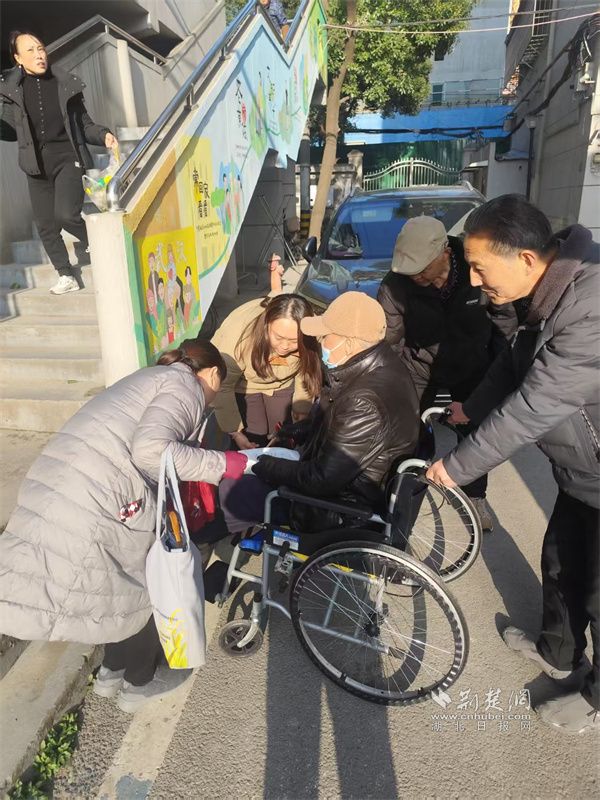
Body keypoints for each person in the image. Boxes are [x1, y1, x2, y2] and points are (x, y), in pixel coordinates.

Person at [425, 195, 600, 734]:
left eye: (480, 267)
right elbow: (513, 364)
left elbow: (534, 406)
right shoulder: (545, 291)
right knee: (561, 560)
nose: (475, 282)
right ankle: (559, 652)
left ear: (525, 258)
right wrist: (471, 407)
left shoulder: (590, 305)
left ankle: (595, 698)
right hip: (581, 470)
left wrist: (457, 466)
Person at [0, 340, 248, 714]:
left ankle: (110, 673)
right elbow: (151, 451)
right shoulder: (186, 387)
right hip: (99, 496)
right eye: (218, 388)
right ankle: (139, 684)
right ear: (213, 374)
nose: (213, 399)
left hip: (64, 485)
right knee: (145, 588)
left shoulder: (152, 377)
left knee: (113, 589)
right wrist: (225, 464)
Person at [219, 292, 420, 534]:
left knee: (232, 488)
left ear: (348, 343)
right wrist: (298, 430)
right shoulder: (383, 365)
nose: (320, 342)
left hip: (337, 508)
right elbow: (337, 424)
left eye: (325, 336)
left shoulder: (362, 402)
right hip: (350, 483)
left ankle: (225, 537)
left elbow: (320, 480)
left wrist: (268, 466)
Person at [377, 216, 516, 530]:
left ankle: (475, 496)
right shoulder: (396, 284)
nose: (416, 276)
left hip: (472, 364)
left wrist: (501, 367)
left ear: (445, 252)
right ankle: (401, 491)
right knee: (406, 429)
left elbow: (504, 318)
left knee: (474, 433)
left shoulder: (475, 270)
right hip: (418, 365)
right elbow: (389, 340)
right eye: (410, 271)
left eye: (422, 269)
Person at [0, 30, 116, 295]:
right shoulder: (12, 91)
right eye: (30, 50)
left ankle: (97, 240)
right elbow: (8, 131)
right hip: (35, 164)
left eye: (41, 48)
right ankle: (66, 274)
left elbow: (84, 124)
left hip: (67, 157)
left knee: (65, 215)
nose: (39, 54)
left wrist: (103, 135)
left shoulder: (64, 83)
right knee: (45, 225)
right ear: (18, 58)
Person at [211, 293, 321, 449]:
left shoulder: (311, 331)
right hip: (245, 384)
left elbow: (307, 372)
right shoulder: (239, 336)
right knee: (255, 433)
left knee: (281, 430)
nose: (284, 346)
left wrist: (302, 410)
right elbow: (223, 385)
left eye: (294, 341)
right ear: (267, 325)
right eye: (278, 337)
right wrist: (235, 431)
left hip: (282, 383)